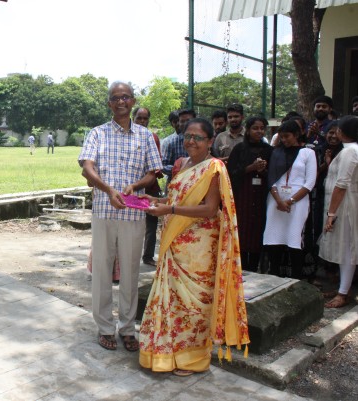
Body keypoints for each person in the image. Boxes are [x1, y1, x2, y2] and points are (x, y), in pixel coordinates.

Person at [138, 118, 250, 376]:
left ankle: (194, 359)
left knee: (195, 305)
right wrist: (155, 200)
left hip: (199, 248)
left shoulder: (214, 168)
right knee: (173, 302)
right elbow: (176, 198)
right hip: (175, 242)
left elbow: (209, 209)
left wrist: (170, 209)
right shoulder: (183, 164)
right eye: (188, 136)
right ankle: (168, 355)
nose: (191, 141)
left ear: (210, 141)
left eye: (198, 137)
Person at [78, 81, 162, 352]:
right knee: (102, 271)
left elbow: (153, 172)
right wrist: (108, 189)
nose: (120, 101)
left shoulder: (145, 136)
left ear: (133, 101)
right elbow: (87, 168)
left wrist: (135, 186)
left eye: (125, 97)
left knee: (130, 272)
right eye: (115, 98)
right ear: (109, 104)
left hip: (133, 215)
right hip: (104, 210)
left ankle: (127, 328)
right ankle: (105, 328)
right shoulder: (97, 133)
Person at [263, 120, 317, 279]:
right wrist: (279, 200)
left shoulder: (308, 153)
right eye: (281, 137)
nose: (284, 140)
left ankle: (295, 278)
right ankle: (273, 275)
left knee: (294, 237)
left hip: (298, 200)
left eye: (287, 136)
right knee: (274, 237)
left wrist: (290, 201)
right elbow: (271, 178)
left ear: (297, 135)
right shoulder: (276, 152)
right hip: (275, 199)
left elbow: (310, 183)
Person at [317, 115, 358, 308]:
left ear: (342, 131)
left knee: (347, 248)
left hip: (345, 205)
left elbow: (341, 185)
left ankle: (343, 293)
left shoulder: (350, 151)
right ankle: (344, 287)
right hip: (344, 203)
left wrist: (331, 214)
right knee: (344, 247)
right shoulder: (349, 150)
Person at [226, 117, 273, 272]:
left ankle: (254, 268)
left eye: (262, 128)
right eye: (255, 128)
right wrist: (251, 168)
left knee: (257, 233)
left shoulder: (269, 150)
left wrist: (262, 170)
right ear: (248, 130)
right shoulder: (239, 149)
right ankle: (240, 270)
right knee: (242, 231)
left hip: (260, 198)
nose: (259, 131)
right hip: (242, 197)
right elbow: (230, 173)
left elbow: (273, 176)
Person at [133, 106, 162, 266]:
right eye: (139, 118)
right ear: (133, 118)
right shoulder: (127, 137)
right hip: (131, 188)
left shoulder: (153, 137)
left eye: (145, 118)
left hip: (150, 188)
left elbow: (155, 165)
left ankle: (148, 256)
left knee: (151, 224)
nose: (142, 121)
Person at [161, 109, 195, 190]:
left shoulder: (203, 140)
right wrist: (179, 168)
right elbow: (163, 166)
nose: (185, 123)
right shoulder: (170, 142)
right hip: (176, 186)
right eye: (182, 121)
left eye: (188, 120)